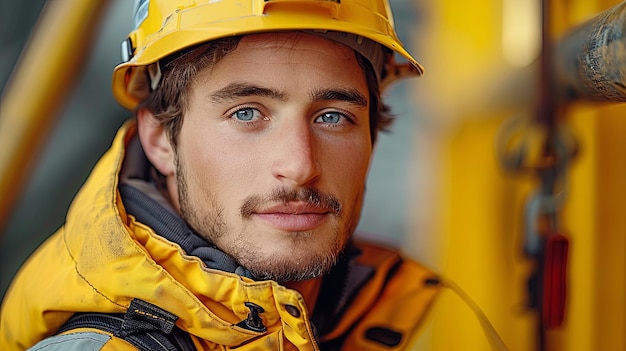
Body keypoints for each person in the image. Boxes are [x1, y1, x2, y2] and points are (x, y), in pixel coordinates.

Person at [0, 1, 505, 350]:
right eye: (247, 112)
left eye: (333, 116)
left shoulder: (419, 321)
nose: (301, 165)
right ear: (159, 140)